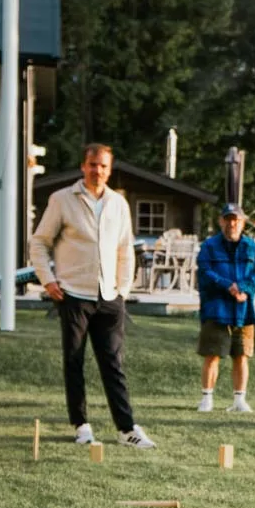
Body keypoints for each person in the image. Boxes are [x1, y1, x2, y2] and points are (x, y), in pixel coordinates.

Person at [30, 143, 156, 449]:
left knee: (113, 363)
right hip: (73, 294)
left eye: (103, 166)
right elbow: (39, 242)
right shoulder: (62, 199)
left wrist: (123, 290)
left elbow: (126, 249)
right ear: (83, 166)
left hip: (110, 296)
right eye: (92, 164)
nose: (97, 170)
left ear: (109, 170)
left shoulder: (118, 204)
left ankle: (126, 428)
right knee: (74, 361)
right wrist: (48, 280)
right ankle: (81, 425)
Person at [195, 203, 255, 413]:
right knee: (212, 355)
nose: (231, 224)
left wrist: (244, 289)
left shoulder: (252, 247)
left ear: (243, 223)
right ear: (221, 221)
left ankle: (239, 400)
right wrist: (228, 286)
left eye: (236, 220)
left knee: (242, 355)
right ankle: (207, 399)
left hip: (243, 310)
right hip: (216, 309)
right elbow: (205, 272)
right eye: (228, 219)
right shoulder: (209, 246)